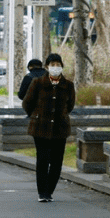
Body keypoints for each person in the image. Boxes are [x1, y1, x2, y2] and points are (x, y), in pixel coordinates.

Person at [21, 53, 75, 203]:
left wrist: (62, 115)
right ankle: (42, 192)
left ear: (62, 66)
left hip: (60, 128)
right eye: (52, 65)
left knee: (57, 162)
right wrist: (36, 115)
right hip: (40, 127)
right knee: (43, 160)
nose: (55, 68)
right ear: (46, 67)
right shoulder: (37, 83)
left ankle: (49, 190)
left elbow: (70, 105)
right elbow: (27, 103)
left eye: (58, 65)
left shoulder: (68, 85)